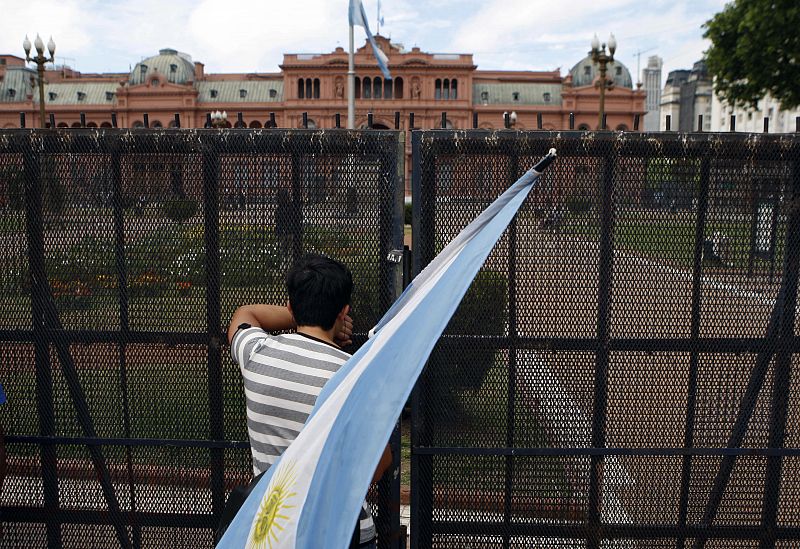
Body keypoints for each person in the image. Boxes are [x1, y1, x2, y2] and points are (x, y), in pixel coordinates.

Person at [227, 253, 392, 548]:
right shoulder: (355, 375)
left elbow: (245, 315)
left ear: (290, 305)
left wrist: (299, 314)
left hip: (271, 530)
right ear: (344, 311)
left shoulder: (257, 352)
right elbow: (381, 463)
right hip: (339, 533)